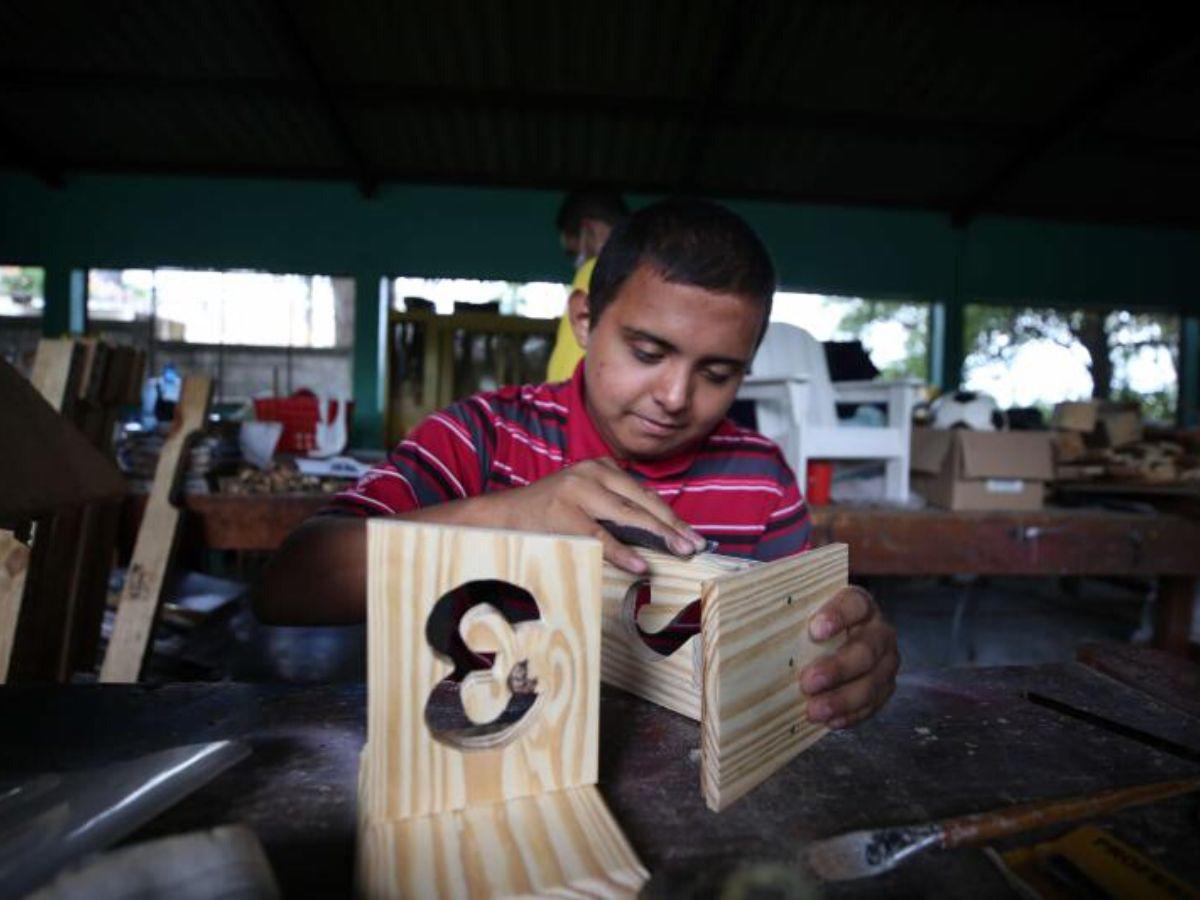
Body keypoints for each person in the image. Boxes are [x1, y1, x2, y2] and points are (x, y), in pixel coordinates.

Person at [259, 198, 898, 732]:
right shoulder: (484, 437)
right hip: (481, 763)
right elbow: (288, 586)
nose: (675, 398)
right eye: (648, 351)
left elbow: (801, 642)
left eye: (717, 372)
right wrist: (503, 519)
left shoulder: (761, 479)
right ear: (586, 321)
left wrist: (849, 653)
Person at [545, 189, 629, 382]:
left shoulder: (595, 270)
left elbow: (569, 370)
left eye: (573, 252)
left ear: (589, 229)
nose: (576, 261)